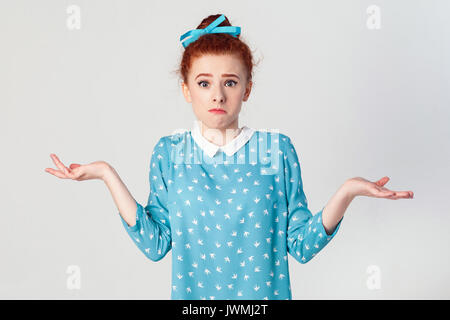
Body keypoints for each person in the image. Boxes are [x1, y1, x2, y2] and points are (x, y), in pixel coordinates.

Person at [45, 13, 414, 300]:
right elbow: (155, 243)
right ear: (187, 89)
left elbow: (301, 245)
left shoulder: (277, 150)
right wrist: (107, 175)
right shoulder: (169, 153)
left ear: (247, 89)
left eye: (230, 82)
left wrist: (347, 191)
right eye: (204, 83)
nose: (217, 95)